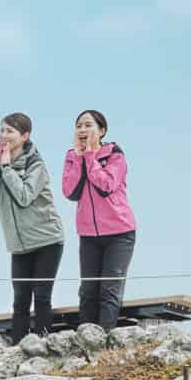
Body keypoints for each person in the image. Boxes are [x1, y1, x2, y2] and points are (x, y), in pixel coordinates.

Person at [0, 112, 65, 343]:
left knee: (41, 297)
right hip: (19, 245)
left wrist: (6, 168)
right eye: (2, 130)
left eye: (10, 131)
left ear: (24, 136)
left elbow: (24, 196)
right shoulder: (2, 166)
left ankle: (43, 345)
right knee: (20, 299)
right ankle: (18, 349)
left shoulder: (36, 165)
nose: (4, 135)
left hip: (47, 240)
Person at [62, 109, 137, 330]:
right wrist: (78, 158)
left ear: (102, 130)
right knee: (88, 291)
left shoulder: (115, 154)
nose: (82, 130)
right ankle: (86, 338)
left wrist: (90, 157)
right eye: (79, 126)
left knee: (109, 289)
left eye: (88, 125)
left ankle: (105, 341)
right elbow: (70, 191)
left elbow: (106, 186)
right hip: (88, 235)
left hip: (119, 233)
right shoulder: (71, 156)